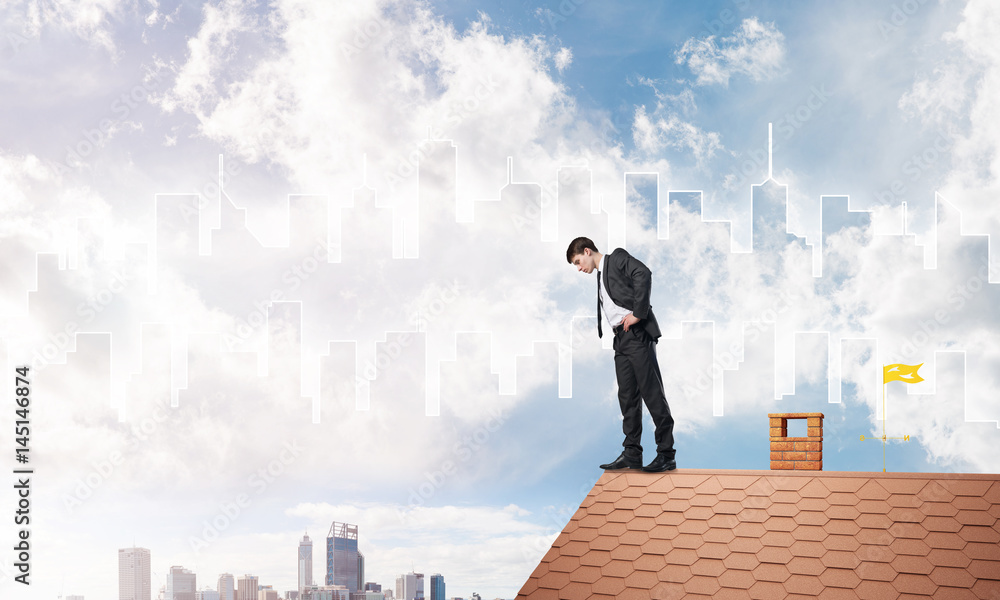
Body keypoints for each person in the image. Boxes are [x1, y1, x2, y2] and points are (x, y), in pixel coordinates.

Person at [566, 237, 676, 472]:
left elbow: (643, 273)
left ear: (587, 251)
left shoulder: (616, 258)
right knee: (627, 397)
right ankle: (632, 453)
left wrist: (639, 312)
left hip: (637, 333)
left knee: (652, 393)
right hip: (621, 339)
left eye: (577, 261)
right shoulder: (599, 275)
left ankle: (666, 454)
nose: (578, 268)